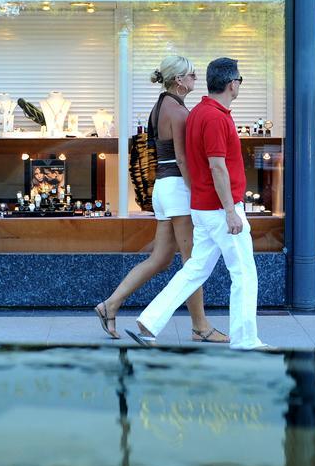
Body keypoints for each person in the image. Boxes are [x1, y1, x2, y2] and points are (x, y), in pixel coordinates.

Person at [127, 57, 266, 350]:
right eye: (240, 80)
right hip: (219, 208)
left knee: (194, 270)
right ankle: (245, 340)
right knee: (244, 272)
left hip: (203, 207)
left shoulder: (200, 111)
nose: (240, 85)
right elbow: (217, 166)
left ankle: (150, 320)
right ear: (232, 84)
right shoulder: (215, 117)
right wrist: (231, 211)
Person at [94, 55, 227, 343]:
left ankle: (110, 305)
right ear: (179, 80)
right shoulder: (178, 112)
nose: (195, 79)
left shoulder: (160, 105)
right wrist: (197, 192)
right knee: (192, 262)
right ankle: (200, 327)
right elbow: (182, 158)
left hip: (163, 189)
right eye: (191, 75)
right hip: (178, 189)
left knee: (161, 258)